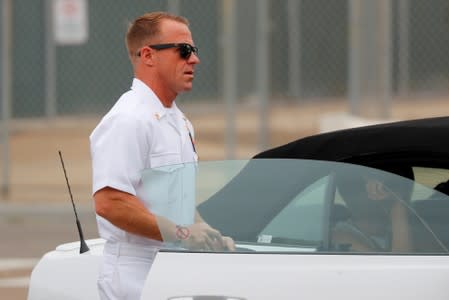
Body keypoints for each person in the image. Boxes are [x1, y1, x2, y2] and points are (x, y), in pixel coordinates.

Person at [90, 11, 234, 300]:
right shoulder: (128, 119)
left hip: (169, 265)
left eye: (194, 50)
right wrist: (181, 233)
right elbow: (110, 202)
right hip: (135, 272)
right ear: (148, 56)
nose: (194, 59)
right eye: (183, 50)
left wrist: (204, 229)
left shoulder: (178, 121)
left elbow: (175, 198)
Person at [332, 165, 414, 252]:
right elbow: (400, 260)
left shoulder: (411, 226)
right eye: (382, 189)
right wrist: (397, 203)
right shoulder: (342, 236)